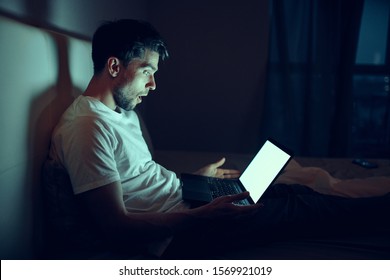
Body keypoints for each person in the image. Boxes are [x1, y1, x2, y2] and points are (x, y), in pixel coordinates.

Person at [44, 19, 390, 259]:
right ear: (115, 66)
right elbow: (116, 227)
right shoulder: (86, 128)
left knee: (288, 190)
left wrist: (194, 179)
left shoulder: (121, 113)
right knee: (300, 203)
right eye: (147, 71)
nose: (153, 85)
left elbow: (141, 180)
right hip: (178, 239)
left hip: (185, 201)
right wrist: (202, 216)